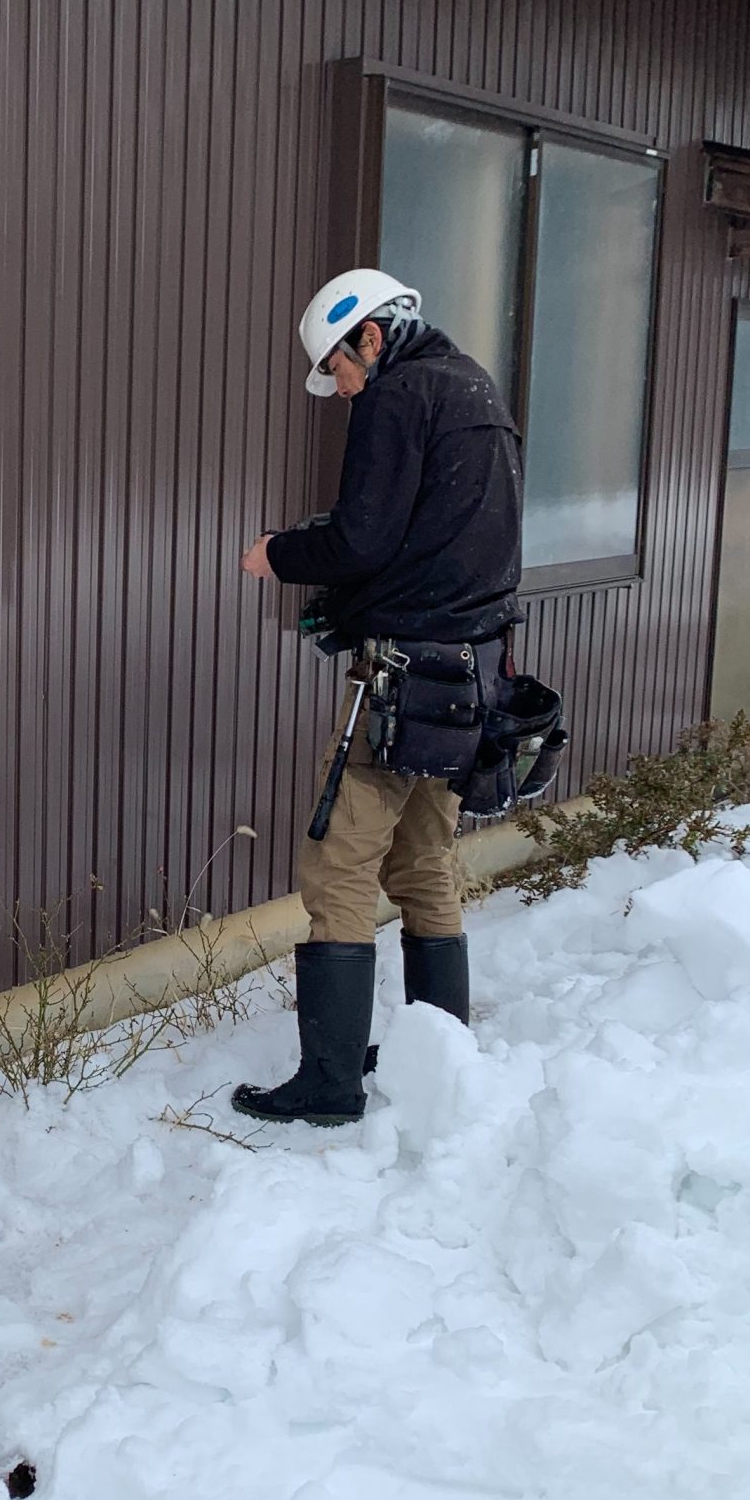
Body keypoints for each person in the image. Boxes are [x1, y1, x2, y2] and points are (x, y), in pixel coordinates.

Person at [232, 268, 523, 1127]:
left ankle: (328, 1087)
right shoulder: (477, 390)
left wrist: (278, 555)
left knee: (339, 864)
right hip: (472, 674)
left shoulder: (397, 398)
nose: (343, 387)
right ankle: (443, 1056)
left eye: (342, 367)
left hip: (403, 677)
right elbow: (435, 533)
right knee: (424, 860)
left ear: (373, 334)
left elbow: (364, 537)